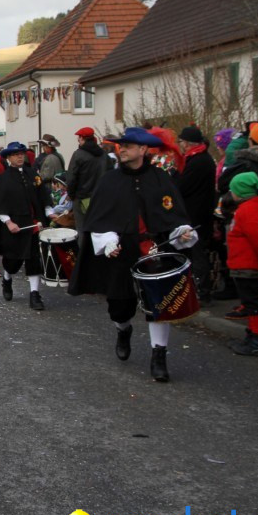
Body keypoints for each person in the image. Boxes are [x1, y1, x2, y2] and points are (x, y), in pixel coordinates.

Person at [69, 127, 198, 383]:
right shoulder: (109, 181)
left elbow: (173, 214)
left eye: (128, 145)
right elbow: (99, 220)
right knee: (120, 305)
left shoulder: (160, 179)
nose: (122, 149)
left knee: (159, 304)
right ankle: (123, 329)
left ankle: (159, 355)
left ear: (143, 150)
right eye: (121, 145)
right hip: (121, 250)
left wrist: (182, 231)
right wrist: (108, 242)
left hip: (155, 249)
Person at [0, 142, 47, 311]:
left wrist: (48, 213)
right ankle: (7, 279)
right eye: (15, 154)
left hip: (32, 225)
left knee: (33, 259)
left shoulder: (32, 174)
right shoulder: (3, 179)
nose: (20, 156)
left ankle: (34, 295)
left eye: (21, 153)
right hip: (14, 227)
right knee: (12, 261)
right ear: (8, 158)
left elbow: (42, 196)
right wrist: (8, 222)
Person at [224, 172, 258, 356]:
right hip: (245, 265)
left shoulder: (250, 210)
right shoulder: (251, 207)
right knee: (250, 302)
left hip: (249, 266)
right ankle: (253, 334)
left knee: (252, 303)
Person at [175, 126, 216, 303]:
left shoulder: (199, 161)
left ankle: (202, 290)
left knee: (197, 252)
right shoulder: (197, 159)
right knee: (192, 252)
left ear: (189, 143)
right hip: (196, 212)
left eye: (182, 142)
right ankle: (196, 288)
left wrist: (173, 176)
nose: (180, 145)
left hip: (196, 214)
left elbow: (183, 186)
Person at [65, 127, 110, 231]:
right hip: (101, 198)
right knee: (99, 229)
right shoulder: (103, 155)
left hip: (82, 199)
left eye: (78, 138)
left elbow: (71, 178)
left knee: (82, 230)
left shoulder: (78, 155)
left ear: (82, 138)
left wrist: (71, 195)